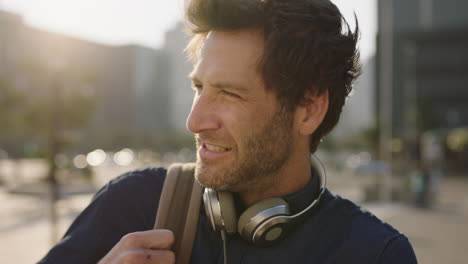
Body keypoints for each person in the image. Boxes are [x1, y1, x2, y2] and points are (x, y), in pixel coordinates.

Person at [39, 0, 417, 263]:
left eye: (230, 94)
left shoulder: (375, 254)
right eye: (199, 88)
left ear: (309, 109)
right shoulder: (132, 206)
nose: (195, 121)